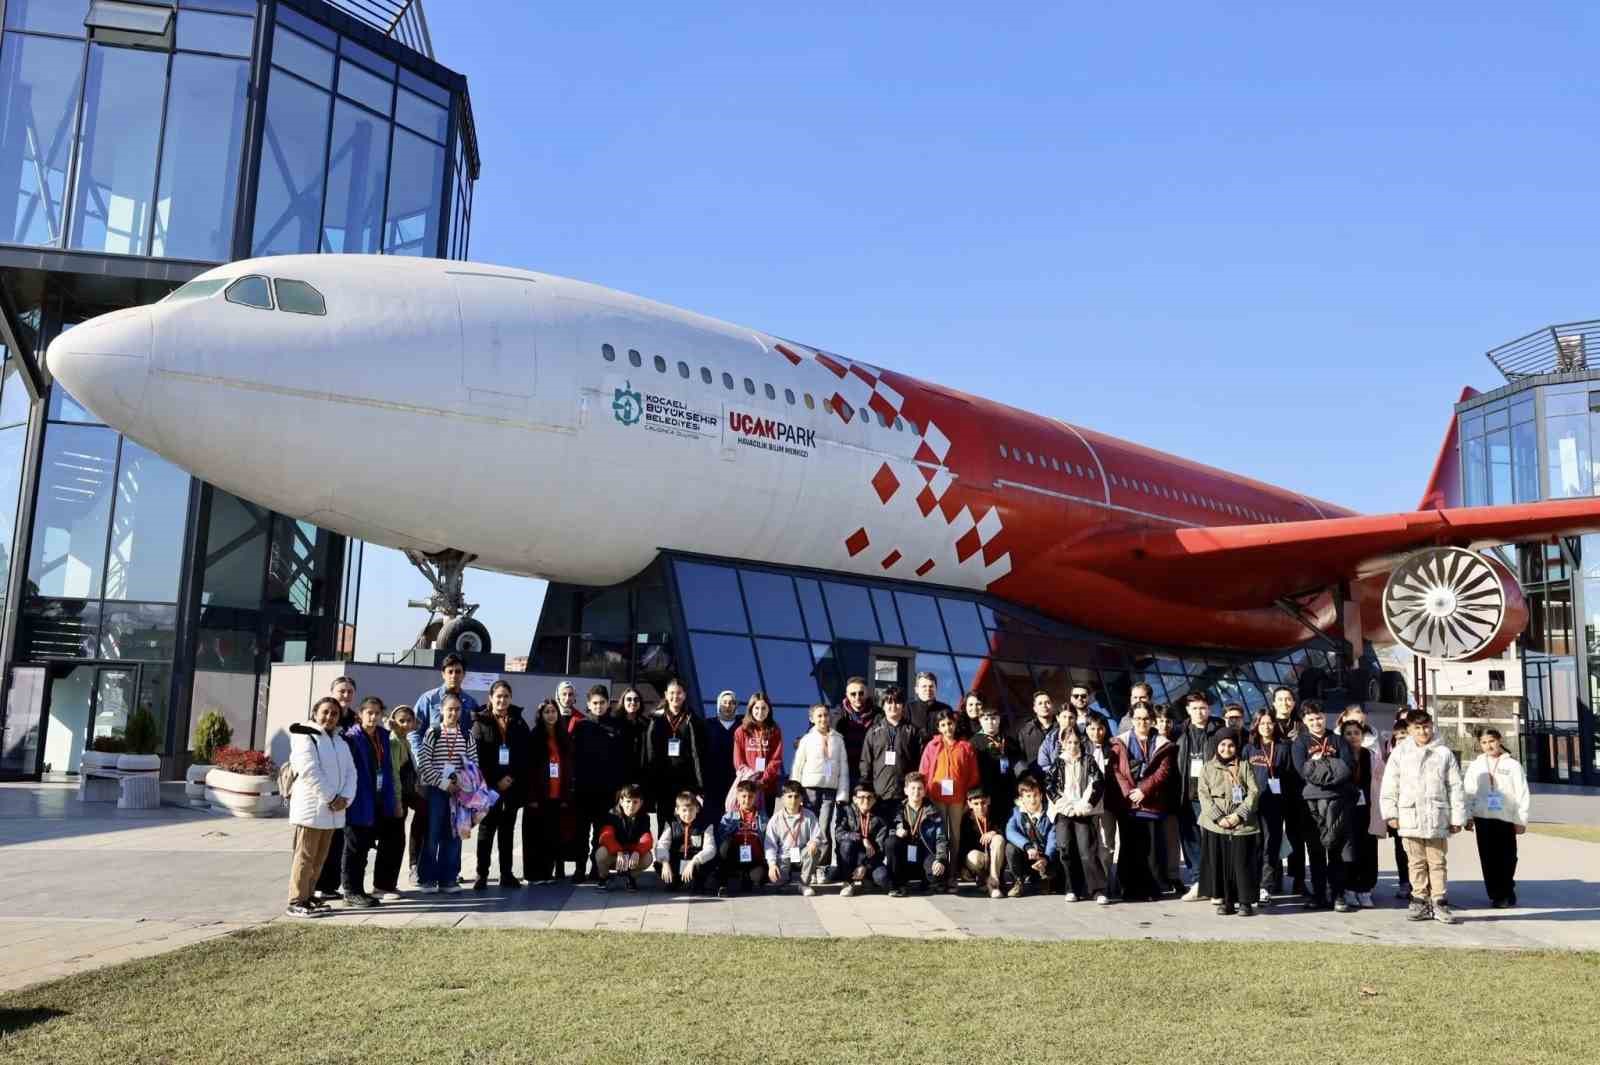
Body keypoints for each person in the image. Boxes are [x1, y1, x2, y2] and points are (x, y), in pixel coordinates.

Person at [1380, 710, 1467, 923]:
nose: (1423, 731)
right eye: (1417, 728)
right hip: (1409, 815)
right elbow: (1390, 784)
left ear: (1432, 726)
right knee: (1415, 861)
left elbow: (1455, 786)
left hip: (1437, 816)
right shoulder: (1400, 753)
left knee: (1437, 861)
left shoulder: (1444, 753)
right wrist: (1391, 813)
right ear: (1409, 730)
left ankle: (1439, 901)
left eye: (1426, 726)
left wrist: (1457, 817)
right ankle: (1419, 899)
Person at [286, 697, 357, 917]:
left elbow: (350, 772)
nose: (329, 717)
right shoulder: (304, 736)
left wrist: (346, 797)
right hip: (311, 809)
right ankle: (296, 900)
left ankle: (309, 897)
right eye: (325, 712)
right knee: (305, 857)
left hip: (332, 811)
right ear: (315, 712)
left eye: (334, 714)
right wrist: (331, 797)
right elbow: (309, 770)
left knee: (319, 858)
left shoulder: (339, 741)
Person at [1292, 700, 1356, 912]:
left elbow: (1346, 768)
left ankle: (1338, 894)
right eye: (1311, 719)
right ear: (1304, 721)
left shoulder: (1338, 740)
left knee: (1336, 850)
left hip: (1337, 801)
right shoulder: (1300, 743)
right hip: (1310, 804)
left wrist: (1319, 766)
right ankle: (1319, 894)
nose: (1316, 722)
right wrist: (1329, 767)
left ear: (1324, 717)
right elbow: (1303, 771)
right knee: (1316, 850)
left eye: (1319, 717)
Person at [340, 695, 400, 908]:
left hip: (378, 800)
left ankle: (360, 889)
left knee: (366, 848)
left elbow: (389, 768)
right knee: (354, 848)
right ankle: (350, 890)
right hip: (358, 799)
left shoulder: (383, 736)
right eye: (369, 713)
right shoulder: (351, 737)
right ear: (360, 714)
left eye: (377, 713)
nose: (373, 717)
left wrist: (391, 801)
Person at [1111, 702, 1175, 901]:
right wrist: (1130, 792)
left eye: (1146, 718)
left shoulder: (1163, 743)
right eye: (1138, 718)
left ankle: (1151, 888)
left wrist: (1143, 790)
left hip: (1152, 802)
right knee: (1129, 847)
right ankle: (1128, 889)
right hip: (1128, 802)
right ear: (1132, 720)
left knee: (1150, 849)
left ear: (1152, 720)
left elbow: (1162, 772)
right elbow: (1116, 770)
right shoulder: (1119, 742)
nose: (1142, 722)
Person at [1464, 727, 1531, 908]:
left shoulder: (1513, 765)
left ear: (1499, 740)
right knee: (1488, 858)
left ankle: (1507, 888)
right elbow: (1469, 793)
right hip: (1483, 818)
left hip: (1506, 818)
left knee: (1508, 857)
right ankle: (1496, 894)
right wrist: (1468, 816)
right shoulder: (1476, 765)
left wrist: (1521, 820)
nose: (1489, 745)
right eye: (1484, 742)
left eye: (1492, 741)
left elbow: (1522, 793)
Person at [472, 680, 529, 889]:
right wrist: (496, 781)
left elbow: (524, 754)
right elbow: (477, 757)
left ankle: (506, 873)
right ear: (491, 698)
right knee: (486, 831)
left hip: (512, 786)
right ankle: (482, 874)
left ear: (510, 698)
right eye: (498, 696)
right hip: (489, 787)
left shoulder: (519, 722)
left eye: (506, 696)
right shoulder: (480, 722)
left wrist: (511, 778)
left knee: (507, 831)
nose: (502, 700)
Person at [416, 693, 476, 893]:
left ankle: (448, 879)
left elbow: (473, 763)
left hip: (458, 793)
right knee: (432, 834)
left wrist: (460, 782)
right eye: (450, 709)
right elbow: (424, 763)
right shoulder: (433, 732)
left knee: (454, 834)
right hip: (437, 791)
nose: (453, 712)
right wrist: (444, 784)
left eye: (457, 709)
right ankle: (427, 879)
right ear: (441, 710)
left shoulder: (467, 735)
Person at [1198, 728, 1261, 916]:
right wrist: (1219, 817)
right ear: (1217, 746)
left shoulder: (1244, 766)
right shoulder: (1208, 767)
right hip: (1217, 825)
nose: (1227, 749)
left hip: (1242, 823)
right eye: (1223, 745)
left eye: (1231, 745)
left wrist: (1238, 815)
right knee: (1222, 863)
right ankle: (1226, 900)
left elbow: (1254, 791)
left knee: (1242, 863)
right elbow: (1203, 794)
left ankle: (1245, 902)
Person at [570, 684, 629, 880]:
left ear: (608, 703)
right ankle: (579, 868)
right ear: (588, 704)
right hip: (584, 790)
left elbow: (622, 761)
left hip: (607, 791)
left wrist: (619, 789)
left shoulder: (617, 727)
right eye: (595, 703)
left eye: (602, 702)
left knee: (601, 833)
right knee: (581, 832)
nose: (598, 706)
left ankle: (596, 867)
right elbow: (573, 759)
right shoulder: (581, 726)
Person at [1045, 725, 1108, 904]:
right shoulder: (1057, 763)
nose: (1073, 746)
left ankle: (1097, 889)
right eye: (1069, 742)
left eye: (1075, 742)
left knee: (1087, 850)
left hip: (1083, 811)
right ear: (1062, 743)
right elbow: (1050, 786)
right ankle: (1072, 888)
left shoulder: (1088, 760)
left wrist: (1085, 804)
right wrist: (1064, 806)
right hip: (1064, 812)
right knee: (1065, 849)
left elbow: (1097, 782)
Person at [920, 710, 979, 886]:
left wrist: (968, 799)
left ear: (955, 724)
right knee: (940, 834)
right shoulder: (932, 746)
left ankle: (952, 874)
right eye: (943, 725)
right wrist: (926, 795)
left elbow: (973, 775)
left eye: (950, 723)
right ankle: (940, 874)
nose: (948, 728)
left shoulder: (965, 746)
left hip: (957, 797)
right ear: (939, 727)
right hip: (936, 796)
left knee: (955, 836)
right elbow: (924, 770)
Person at [314, 675, 361, 898]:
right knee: (320, 840)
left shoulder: (356, 720)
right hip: (322, 790)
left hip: (346, 789)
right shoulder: (319, 719)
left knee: (340, 840)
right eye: (341, 690)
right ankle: (314, 885)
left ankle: (331, 886)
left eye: (350, 691)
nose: (345, 695)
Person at [792, 701, 848, 875]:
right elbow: (798, 766)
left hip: (829, 791)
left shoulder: (838, 739)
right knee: (808, 829)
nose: (824, 719)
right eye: (819, 716)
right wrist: (794, 792)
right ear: (812, 719)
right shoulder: (807, 740)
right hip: (809, 790)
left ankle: (821, 868)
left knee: (823, 829)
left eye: (826, 715)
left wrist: (843, 792)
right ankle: (806, 866)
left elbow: (843, 767)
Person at [1174, 691, 1220, 900]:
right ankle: (1198, 881)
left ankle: (1216, 883)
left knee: (1212, 839)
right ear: (1187, 710)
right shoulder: (1180, 732)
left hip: (1210, 795)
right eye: (1194, 708)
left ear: (1208, 709)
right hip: (1187, 793)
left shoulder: (1218, 731)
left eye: (1202, 708)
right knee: (1190, 840)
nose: (1199, 712)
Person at [643, 678, 707, 829]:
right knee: (664, 821)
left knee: (685, 820)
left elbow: (696, 754)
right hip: (663, 780)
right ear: (666, 694)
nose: (675, 697)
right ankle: (664, 852)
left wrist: (699, 786)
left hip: (685, 780)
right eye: (671, 693)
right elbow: (650, 753)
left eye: (679, 693)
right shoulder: (656, 719)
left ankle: (682, 851)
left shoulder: (692, 719)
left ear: (684, 695)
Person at [524, 699, 575, 884]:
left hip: (557, 794)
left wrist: (566, 794)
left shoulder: (563, 736)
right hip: (538, 795)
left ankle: (547, 873)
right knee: (535, 836)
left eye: (553, 711)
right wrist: (531, 796)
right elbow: (529, 769)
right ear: (541, 715)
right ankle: (533, 874)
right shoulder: (535, 735)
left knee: (552, 836)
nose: (551, 715)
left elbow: (569, 766)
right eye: (547, 712)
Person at [859, 687, 925, 821]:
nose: (893, 706)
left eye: (897, 702)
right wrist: (866, 787)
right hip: (879, 794)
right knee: (881, 834)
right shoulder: (873, 731)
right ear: (883, 705)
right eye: (889, 702)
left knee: (902, 833)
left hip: (906, 794)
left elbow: (920, 762)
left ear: (903, 705)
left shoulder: (912, 731)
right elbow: (866, 762)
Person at [1245, 711, 1291, 902]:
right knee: (1253, 845)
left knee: (1270, 846)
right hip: (1253, 805)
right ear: (1256, 725)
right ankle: (1251, 883)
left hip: (1275, 806)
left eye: (1270, 723)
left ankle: (1266, 886)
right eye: (1262, 723)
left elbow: (1289, 776)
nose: (1266, 726)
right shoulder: (1248, 749)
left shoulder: (1283, 748)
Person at [1271, 686, 1310, 896]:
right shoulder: (1267, 724)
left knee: (1297, 835)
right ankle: (1274, 877)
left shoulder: (1302, 727)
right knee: (1274, 832)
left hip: (1297, 787)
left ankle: (1298, 878)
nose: (1284, 703)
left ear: (1294, 703)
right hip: (1274, 786)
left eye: (1288, 699)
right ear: (1273, 702)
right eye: (1280, 699)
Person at [1340, 718, 1381, 910]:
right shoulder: (1339, 755)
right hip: (1346, 809)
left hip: (1368, 809)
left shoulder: (1371, 756)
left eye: (1356, 733)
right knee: (1349, 848)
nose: (1352, 736)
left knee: (1368, 848)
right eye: (1348, 733)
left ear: (1362, 736)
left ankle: (1365, 889)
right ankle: (1349, 888)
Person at [384, 704, 426, 890]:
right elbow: (394, 771)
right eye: (402, 721)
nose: (406, 724)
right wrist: (398, 800)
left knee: (424, 814)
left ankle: (415, 865)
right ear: (394, 722)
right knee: (395, 838)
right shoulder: (394, 740)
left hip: (409, 792)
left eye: (409, 721)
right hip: (399, 794)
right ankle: (388, 882)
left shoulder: (405, 739)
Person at [889, 772, 948, 895]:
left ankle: (927, 881)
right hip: (905, 854)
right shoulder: (898, 810)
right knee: (891, 842)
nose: (916, 792)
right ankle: (897, 883)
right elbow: (888, 830)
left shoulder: (933, 812)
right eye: (913, 788)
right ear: (906, 790)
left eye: (920, 788)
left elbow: (941, 838)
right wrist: (896, 831)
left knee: (936, 875)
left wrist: (940, 859)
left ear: (925, 791)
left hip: (924, 852)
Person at [1083, 714, 1120, 898]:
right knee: (1088, 845)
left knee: (1107, 844)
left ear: (1105, 729)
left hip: (1108, 804)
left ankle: (1105, 883)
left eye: (1099, 728)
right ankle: (1092, 884)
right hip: (1086, 804)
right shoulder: (1081, 748)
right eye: (1091, 728)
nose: (1095, 732)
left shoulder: (1113, 748)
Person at [765, 781, 823, 896]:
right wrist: (772, 864)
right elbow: (770, 844)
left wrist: (814, 842)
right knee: (776, 881)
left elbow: (818, 835)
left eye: (796, 796)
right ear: (782, 799)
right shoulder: (775, 819)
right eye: (789, 796)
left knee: (814, 852)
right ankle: (785, 880)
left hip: (801, 854)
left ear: (802, 798)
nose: (793, 800)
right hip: (784, 856)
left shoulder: (809, 815)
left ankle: (804, 884)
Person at [411, 654, 480, 750]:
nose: (454, 675)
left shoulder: (471, 703)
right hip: (432, 760)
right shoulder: (428, 699)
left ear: (464, 674)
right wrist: (421, 757)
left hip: (460, 760)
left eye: (458, 672)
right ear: (443, 674)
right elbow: (413, 731)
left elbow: (475, 734)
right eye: (450, 672)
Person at [970, 702, 1023, 824]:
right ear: (980, 721)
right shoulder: (974, 743)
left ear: (999, 719)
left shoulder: (1008, 739)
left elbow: (1018, 761)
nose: (990, 722)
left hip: (1011, 789)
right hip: (989, 791)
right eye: (986, 719)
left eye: (994, 718)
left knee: (1016, 821)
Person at [835, 783, 892, 896]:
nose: (866, 800)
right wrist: (862, 838)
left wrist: (865, 866)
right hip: (850, 857)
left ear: (874, 800)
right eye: (861, 797)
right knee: (846, 844)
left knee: (883, 878)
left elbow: (880, 849)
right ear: (854, 799)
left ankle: (867, 878)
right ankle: (848, 883)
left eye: (869, 797)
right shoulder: (846, 811)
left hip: (870, 859)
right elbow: (839, 834)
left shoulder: (880, 817)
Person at [1004, 776, 1057, 897]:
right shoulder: (1016, 812)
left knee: (1059, 849)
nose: (1033, 800)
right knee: (1010, 848)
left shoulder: (1050, 812)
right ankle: (1018, 881)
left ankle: (1046, 879)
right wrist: (1027, 846)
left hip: (1044, 856)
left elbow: (1052, 838)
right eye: (1028, 796)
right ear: (1021, 798)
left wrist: (1046, 858)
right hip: (1027, 855)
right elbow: (1010, 831)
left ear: (1041, 796)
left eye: (1035, 795)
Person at [655, 791, 717, 894]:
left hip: (695, 863)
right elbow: (662, 844)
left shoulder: (705, 825)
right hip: (677, 860)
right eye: (684, 810)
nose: (688, 814)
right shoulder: (671, 824)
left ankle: (699, 882)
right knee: (659, 864)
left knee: (710, 861)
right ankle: (676, 881)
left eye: (691, 810)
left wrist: (694, 861)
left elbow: (711, 848)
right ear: (677, 811)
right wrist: (665, 862)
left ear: (697, 809)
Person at [595, 784, 654, 891]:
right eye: (628, 801)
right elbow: (606, 836)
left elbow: (647, 838)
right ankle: (604, 877)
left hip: (631, 855)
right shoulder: (612, 814)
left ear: (640, 803)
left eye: (635, 802)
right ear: (621, 801)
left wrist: (637, 851)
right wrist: (618, 851)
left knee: (648, 858)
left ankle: (630, 877)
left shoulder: (644, 817)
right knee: (601, 853)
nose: (631, 805)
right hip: (615, 855)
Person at [733, 693, 784, 814]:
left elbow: (776, 758)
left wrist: (763, 780)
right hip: (747, 788)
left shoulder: (775, 730)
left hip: (767, 786)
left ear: (769, 710)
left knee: (764, 822)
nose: (760, 711)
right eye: (756, 708)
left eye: (764, 708)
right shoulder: (741, 731)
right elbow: (738, 760)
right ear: (751, 709)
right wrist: (751, 779)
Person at [717, 780, 768, 895]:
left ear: (755, 797)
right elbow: (721, 839)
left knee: (757, 879)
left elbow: (768, 839)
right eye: (743, 796)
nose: (747, 800)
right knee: (726, 845)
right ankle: (723, 883)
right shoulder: (729, 816)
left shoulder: (762, 816)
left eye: (750, 796)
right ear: (737, 797)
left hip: (754, 859)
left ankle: (747, 877)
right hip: (735, 857)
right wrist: (733, 830)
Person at [960, 788, 1009, 898]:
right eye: (976, 804)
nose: (980, 807)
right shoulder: (966, 820)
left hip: (996, 859)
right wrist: (962, 868)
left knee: (998, 839)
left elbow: (1008, 832)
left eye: (983, 803)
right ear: (969, 804)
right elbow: (962, 847)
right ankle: (987, 881)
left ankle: (994, 880)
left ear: (989, 800)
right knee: (972, 856)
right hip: (981, 860)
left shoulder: (997, 813)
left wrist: (994, 832)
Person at [702, 689, 743, 820]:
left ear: (736, 706)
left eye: (731, 703)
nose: (728, 706)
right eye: (724, 702)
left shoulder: (742, 726)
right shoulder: (708, 724)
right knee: (712, 818)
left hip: (735, 779)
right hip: (712, 780)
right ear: (718, 704)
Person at [835, 676, 880, 776]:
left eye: (861, 693)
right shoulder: (836, 715)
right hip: (844, 770)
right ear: (846, 695)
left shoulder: (879, 716)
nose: (857, 697)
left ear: (867, 693)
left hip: (870, 770)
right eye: (853, 694)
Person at [615, 687, 651, 783]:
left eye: (636, 699)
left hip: (640, 774)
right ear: (623, 702)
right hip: (619, 774)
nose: (633, 702)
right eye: (629, 699)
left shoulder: (647, 724)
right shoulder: (615, 723)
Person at [1015, 691, 1057, 769]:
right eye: (1040, 703)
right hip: (1037, 778)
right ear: (1035, 709)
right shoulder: (1025, 732)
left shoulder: (1062, 727)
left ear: (1052, 706)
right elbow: (1020, 758)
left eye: (1047, 702)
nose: (1044, 706)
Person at [906, 670, 951, 735]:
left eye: (931, 686)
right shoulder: (908, 708)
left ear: (936, 689)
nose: (928, 690)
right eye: (924, 686)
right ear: (916, 690)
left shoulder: (945, 709)